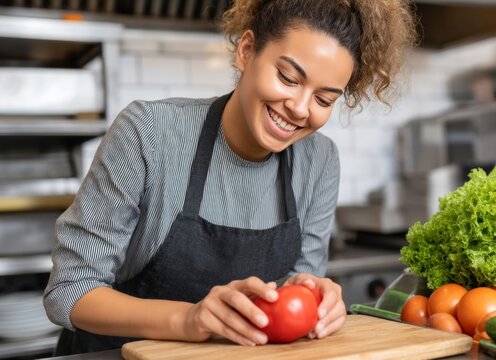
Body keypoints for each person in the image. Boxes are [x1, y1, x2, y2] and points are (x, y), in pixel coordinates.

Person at [44, 0, 417, 355]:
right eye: (288, 78)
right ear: (246, 50)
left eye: (324, 100)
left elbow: (298, 282)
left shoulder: (320, 161)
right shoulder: (148, 133)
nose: (301, 109)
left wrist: (315, 297)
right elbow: (70, 290)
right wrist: (188, 318)